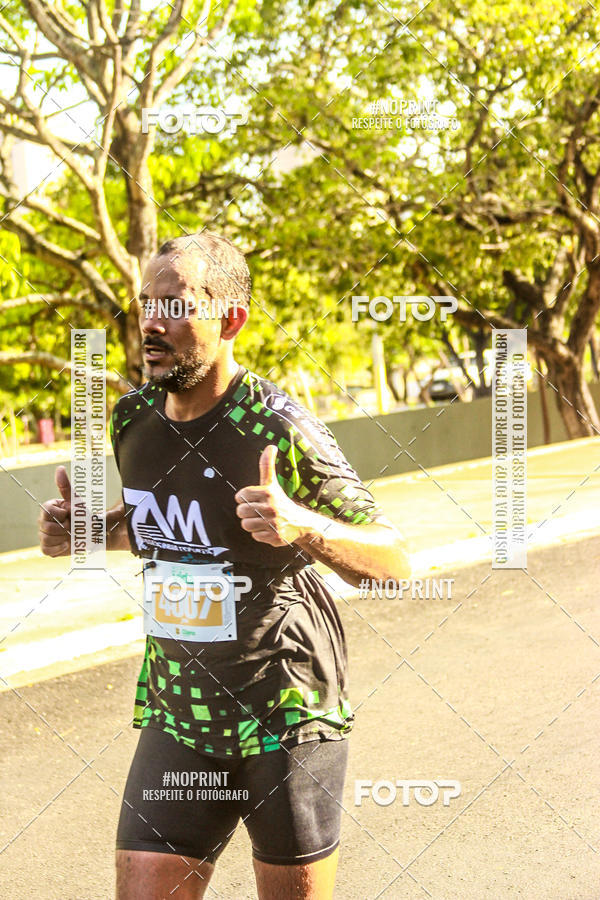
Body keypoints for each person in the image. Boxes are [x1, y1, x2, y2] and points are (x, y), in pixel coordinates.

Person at [39, 232, 410, 900]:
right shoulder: (132, 418)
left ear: (230, 319)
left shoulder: (276, 424)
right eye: (146, 302)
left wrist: (304, 527)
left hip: (286, 712)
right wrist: (90, 532)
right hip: (180, 714)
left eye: (175, 304)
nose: (152, 320)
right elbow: (168, 529)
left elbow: (394, 560)